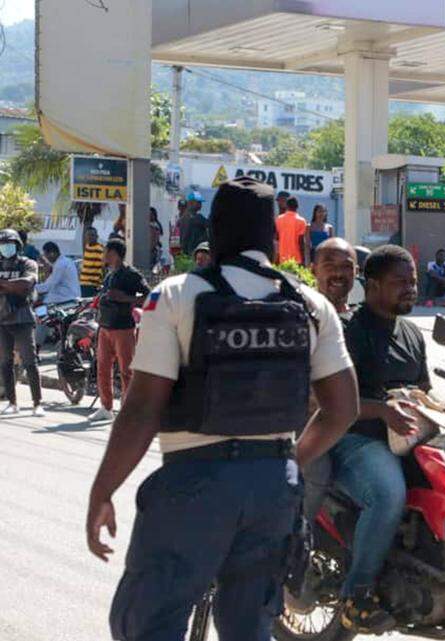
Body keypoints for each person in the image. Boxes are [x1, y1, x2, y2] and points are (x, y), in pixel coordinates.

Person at [85, 176, 359, 641]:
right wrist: (292, 462)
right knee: (249, 629)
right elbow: (343, 408)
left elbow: (141, 409)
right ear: (272, 237)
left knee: (147, 623)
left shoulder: (173, 296)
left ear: (215, 232)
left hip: (194, 484)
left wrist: (102, 491)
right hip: (274, 488)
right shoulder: (311, 305)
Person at [334, 245, 445, 632]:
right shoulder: (351, 332)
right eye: (400, 283)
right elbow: (336, 400)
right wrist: (382, 411)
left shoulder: (411, 333)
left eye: (412, 281)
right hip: (358, 439)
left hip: (408, 437)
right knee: (388, 494)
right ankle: (356, 595)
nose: (411, 289)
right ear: (372, 286)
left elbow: (422, 392)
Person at [302, 238, 359, 523]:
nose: (338, 273)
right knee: (316, 470)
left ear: (356, 272)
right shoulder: (301, 314)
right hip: (309, 422)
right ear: (314, 270)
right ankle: (294, 547)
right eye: (329, 266)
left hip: (355, 428)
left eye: (345, 267)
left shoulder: (361, 320)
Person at [90, 238, 150, 423]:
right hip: (105, 327)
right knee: (102, 369)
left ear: (114, 253)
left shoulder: (131, 274)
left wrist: (125, 298)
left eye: (105, 251)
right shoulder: (110, 275)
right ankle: (106, 407)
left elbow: (151, 297)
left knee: (126, 371)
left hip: (123, 329)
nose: (103, 255)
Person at [0, 229, 43, 417]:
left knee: (30, 361)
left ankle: (37, 403)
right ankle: (12, 401)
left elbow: (27, 283)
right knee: (5, 362)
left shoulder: (27, 263)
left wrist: (4, 284)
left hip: (22, 318)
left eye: (9, 244)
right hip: (2, 319)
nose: (5, 248)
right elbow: (19, 286)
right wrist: (13, 287)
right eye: (2, 244)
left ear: (17, 245)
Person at [276, 196, 310, 265]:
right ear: (297, 207)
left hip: (282, 258)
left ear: (287, 206)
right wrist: (303, 260)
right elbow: (301, 242)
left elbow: (277, 239)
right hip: (296, 259)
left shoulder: (278, 219)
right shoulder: (302, 221)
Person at [180, 191, 210, 257]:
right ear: (191, 203)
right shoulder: (197, 217)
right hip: (195, 252)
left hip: (188, 252)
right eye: (198, 202)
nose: (200, 205)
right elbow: (209, 224)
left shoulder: (184, 217)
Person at [80, 227, 105, 298]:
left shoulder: (100, 249)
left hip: (93, 284)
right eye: (88, 235)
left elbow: (104, 267)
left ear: (97, 236)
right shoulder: (87, 247)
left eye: (92, 235)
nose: (89, 238)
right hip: (83, 283)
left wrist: (102, 282)